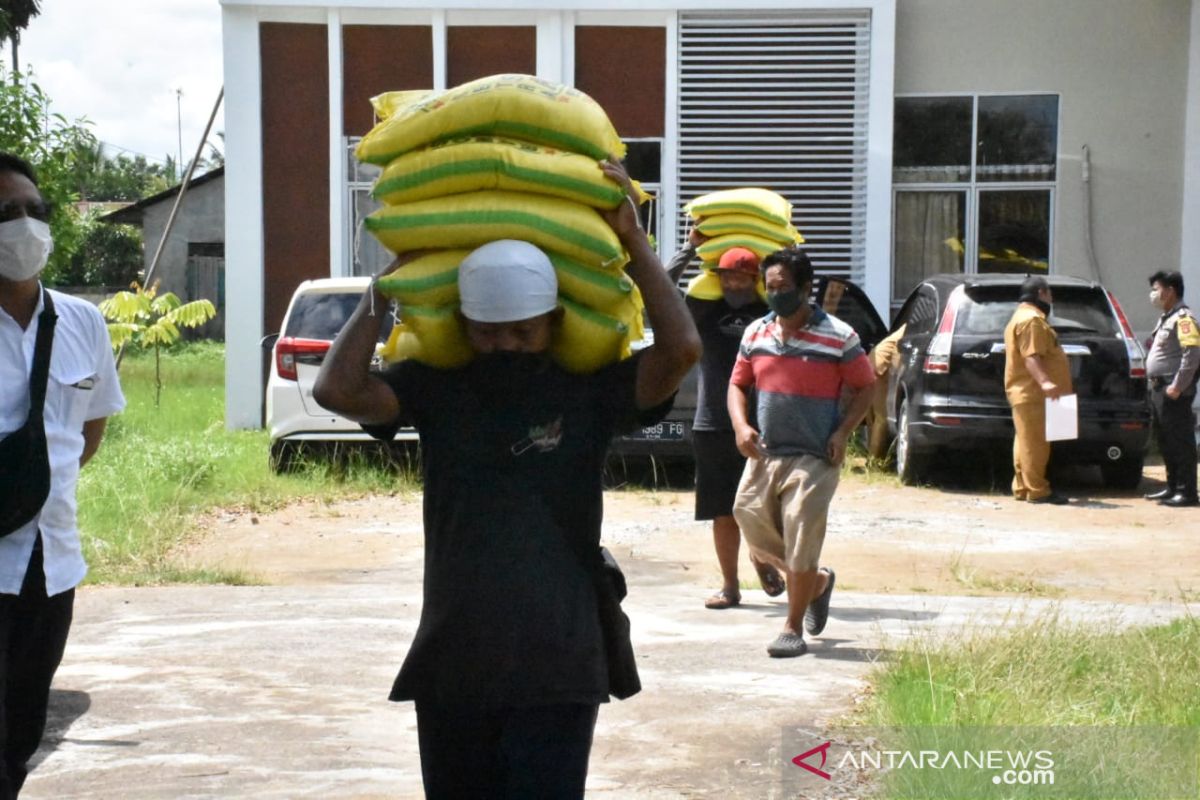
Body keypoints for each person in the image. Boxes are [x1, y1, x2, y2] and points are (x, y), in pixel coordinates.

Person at [312, 160, 700, 799]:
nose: (507, 345)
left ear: (552, 322)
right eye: (489, 333)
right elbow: (337, 389)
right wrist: (381, 295)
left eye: (523, 331)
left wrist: (633, 244)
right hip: (454, 655)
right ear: (465, 327)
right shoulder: (436, 389)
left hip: (560, 654)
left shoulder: (588, 390)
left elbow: (680, 350)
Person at [0, 152, 124, 798]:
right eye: (6, 213)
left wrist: (34, 488)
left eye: (35, 210)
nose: (25, 225)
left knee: (20, 737)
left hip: (53, 570)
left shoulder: (82, 324)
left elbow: (87, 432)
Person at [727, 245, 875, 658]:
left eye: (783, 287)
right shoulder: (756, 333)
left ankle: (792, 627)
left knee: (800, 533)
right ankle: (819, 583)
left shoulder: (840, 336)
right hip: (766, 452)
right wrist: (741, 425)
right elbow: (738, 384)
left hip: (815, 455)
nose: (775, 294)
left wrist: (845, 431)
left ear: (807, 289)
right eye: (769, 286)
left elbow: (867, 386)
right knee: (746, 514)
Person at [664, 236, 784, 610]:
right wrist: (688, 249)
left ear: (754, 279)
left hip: (762, 423)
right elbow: (663, 287)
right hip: (712, 421)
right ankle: (730, 587)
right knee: (722, 509)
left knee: (761, 506)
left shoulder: (770, 314)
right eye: (726, 277)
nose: (733, 284)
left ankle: (761, 558)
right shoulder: (703, 309)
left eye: (741, 278)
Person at [1003, 275, 1072, 505]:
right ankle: (1038, 490)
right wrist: (1045, 382)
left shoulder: (1023, 318)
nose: (1051, 299)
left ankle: (1023, 487)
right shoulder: (1031, 320)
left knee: (1025, 441)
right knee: (1036, 444)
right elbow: (1031, 356)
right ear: (1041, 293)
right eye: (1049, 293)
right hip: (1035, 393)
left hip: (1034, 393)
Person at [1143, 270, 1199, 507]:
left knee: (1180, 440)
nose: (1153, 294)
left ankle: (1186, 492)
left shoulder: (1184, 318)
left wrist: (1178, 386)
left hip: (1172, 388)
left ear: (1170, 290)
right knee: (1165, 440)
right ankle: (1172, 486)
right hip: (1159, 388)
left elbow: (1193, 355)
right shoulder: (1167, 317)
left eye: (1157, 288)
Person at [864, 323, 907, 462]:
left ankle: (872, 457)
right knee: (881, 418)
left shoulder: (904, 328)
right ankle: (875, 463)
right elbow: (897, 355)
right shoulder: (908, 330)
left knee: (872, 419)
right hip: (880, 369)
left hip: (871, 365)